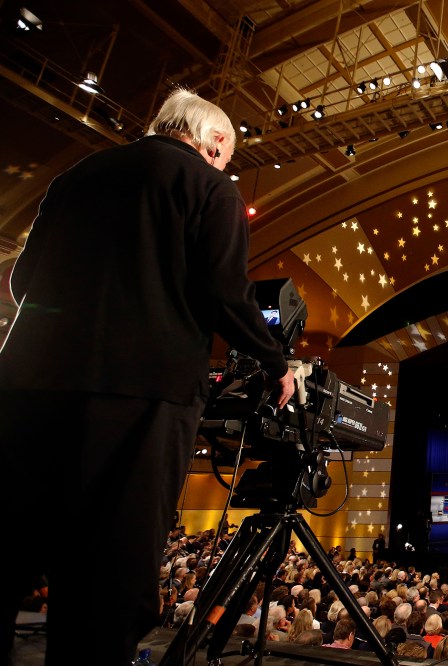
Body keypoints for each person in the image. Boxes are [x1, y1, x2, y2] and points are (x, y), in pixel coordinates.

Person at [0, 88, 296, 666]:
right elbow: (223, 293)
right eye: (227, 154)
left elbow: (21, 283)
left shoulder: (77, 176)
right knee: (109, 570)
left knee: (10, 545)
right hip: (140, 402)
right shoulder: (210, 188)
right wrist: (276, 362)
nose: (226, 165)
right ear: (213, 142)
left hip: (25, 391)